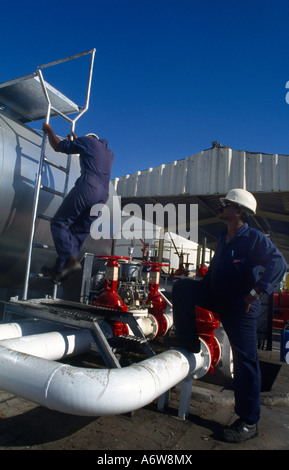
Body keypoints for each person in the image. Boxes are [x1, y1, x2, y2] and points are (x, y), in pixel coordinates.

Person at [170, 188, 287, 443]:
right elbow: (216, 269)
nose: (220, 206)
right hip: (216, 295)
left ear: (239, 210)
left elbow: (279, 263)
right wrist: (201, 284)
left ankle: (248, 421)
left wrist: (257, 291)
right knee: (181, 288)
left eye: (226, 203)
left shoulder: (254, 238)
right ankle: (188, 340)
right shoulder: (224, 237)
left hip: (240, 307)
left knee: (246, 362)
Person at [41, 123, 114, 284]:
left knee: (59, 223)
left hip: (89, 188)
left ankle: (70, 261)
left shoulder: (87, 142)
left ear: (87, 139)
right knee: (76, 233)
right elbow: (88, 152)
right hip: (103, 196)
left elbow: (58, 146)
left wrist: (49, 130)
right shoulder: (108, 153)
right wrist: (76, 140)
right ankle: (60, 272)